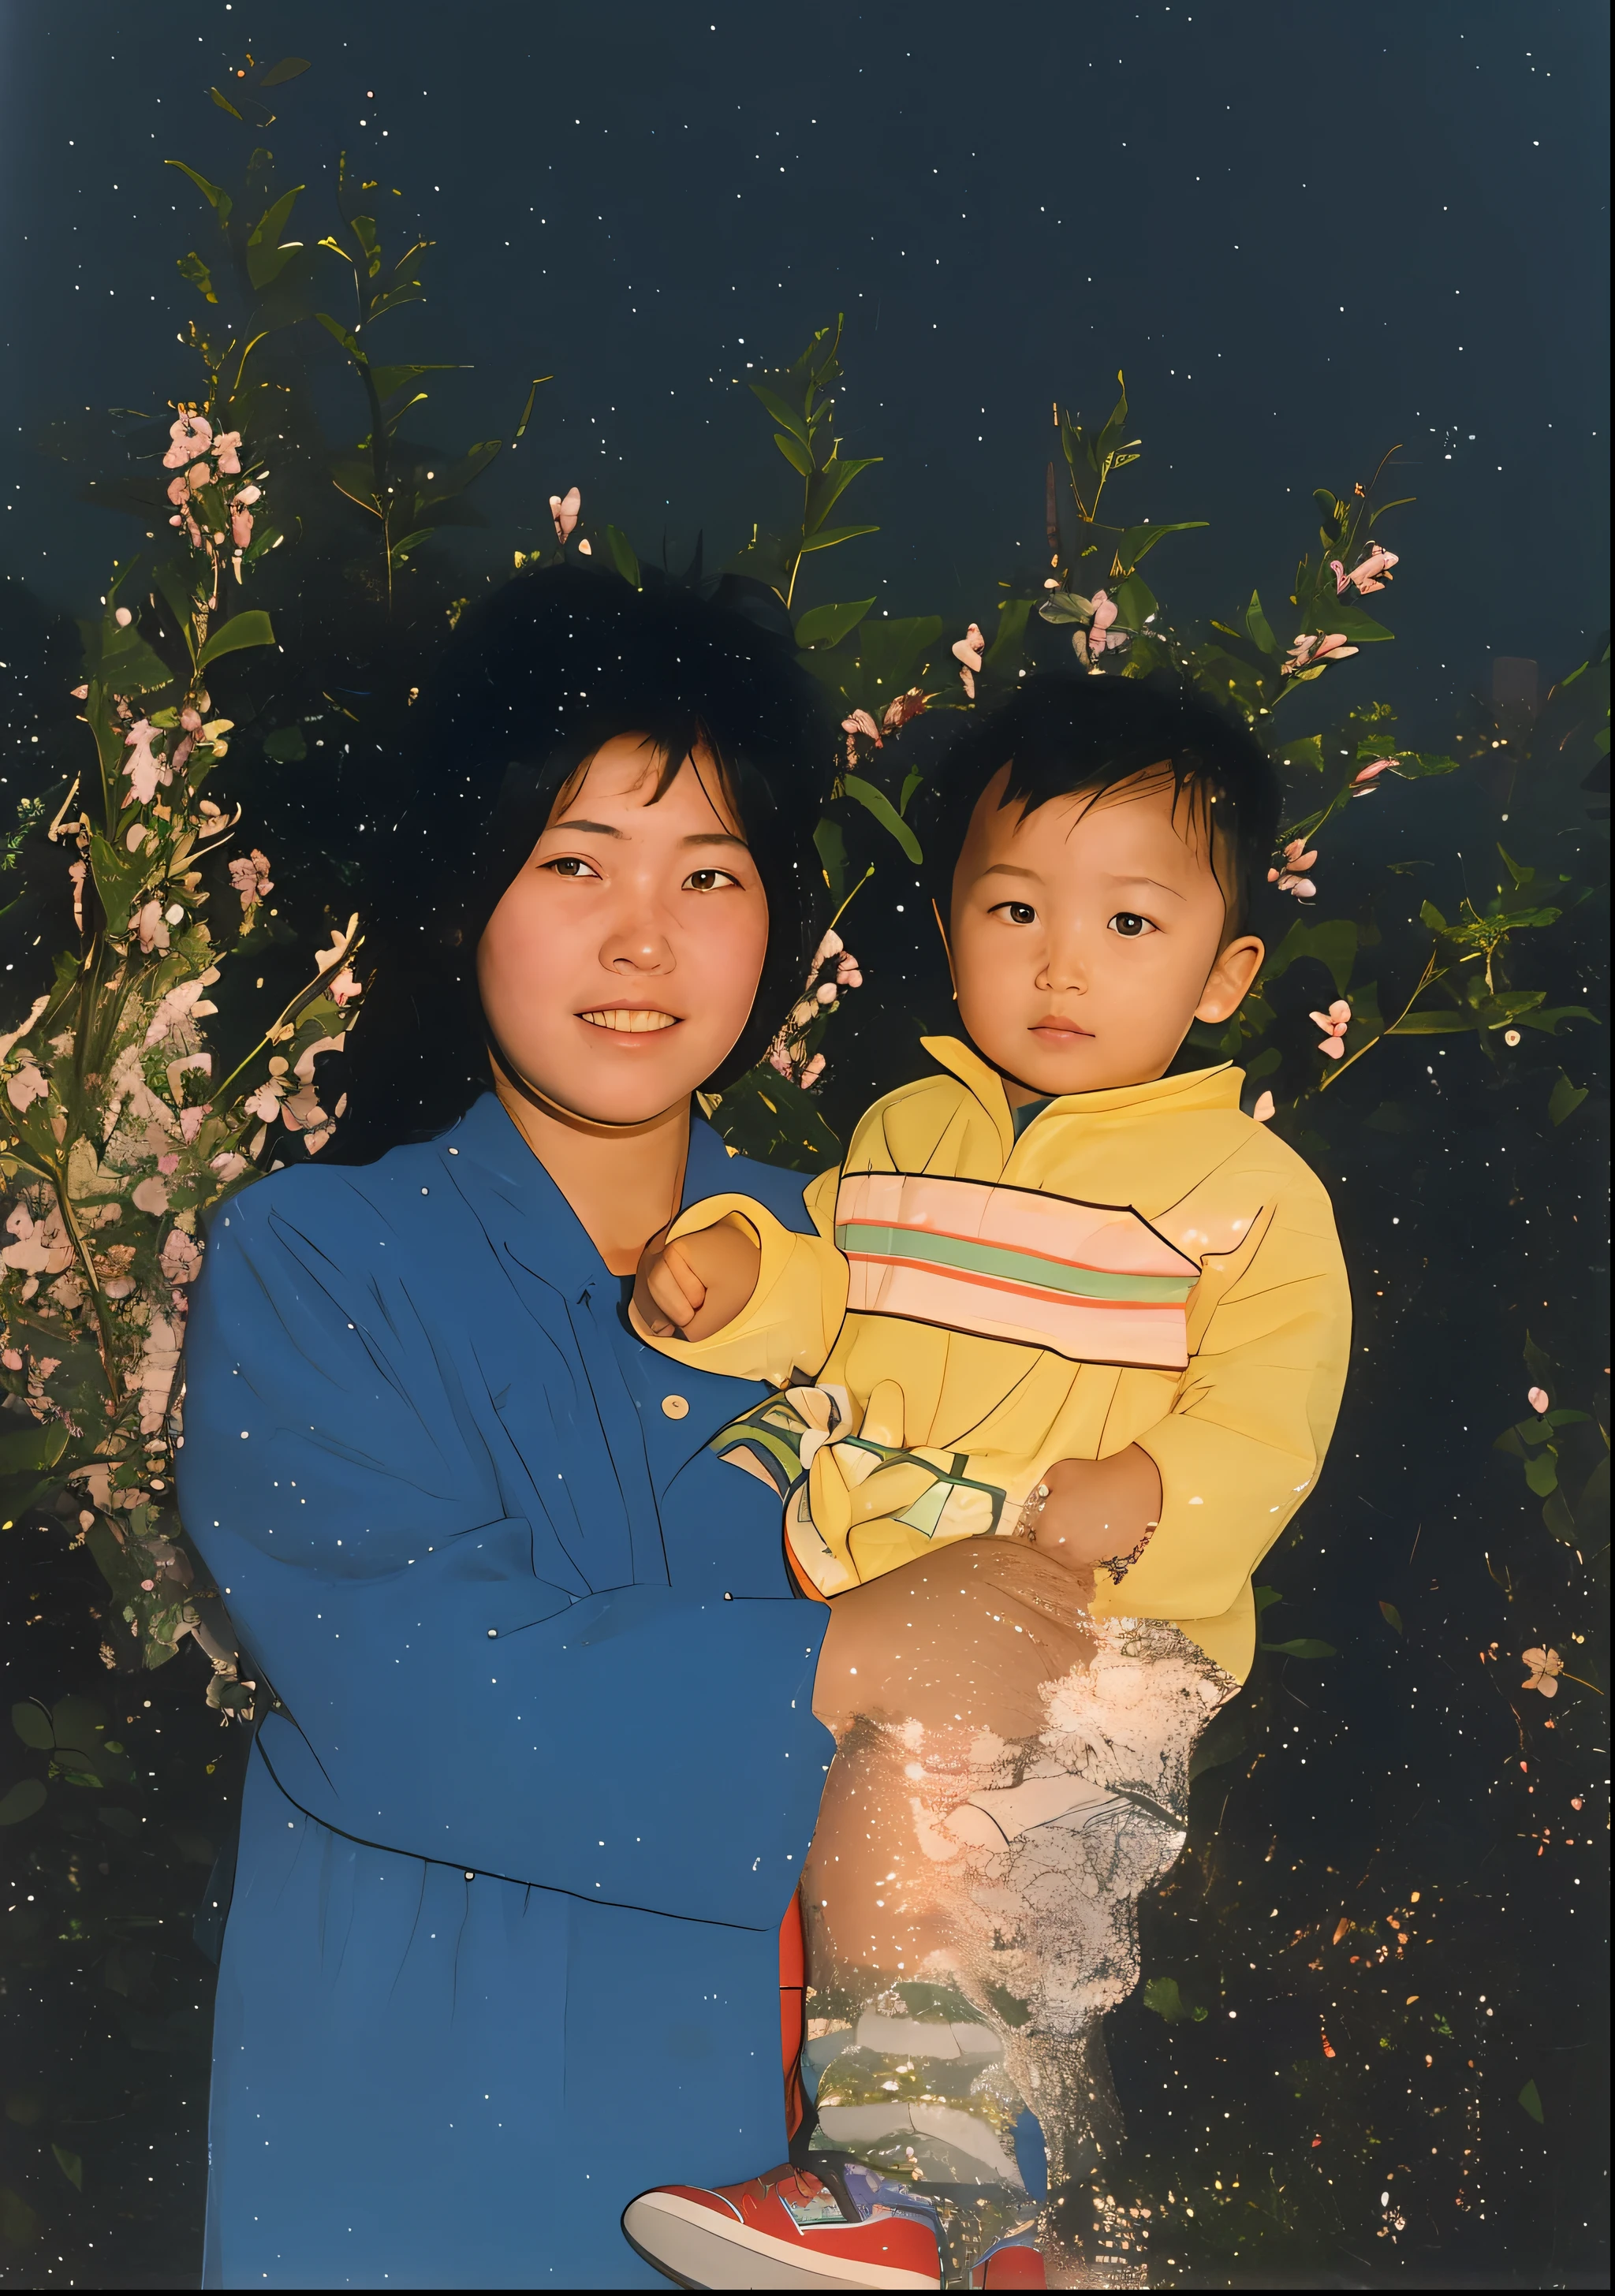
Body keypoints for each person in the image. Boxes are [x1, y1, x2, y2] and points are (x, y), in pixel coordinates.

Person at [623, 673, 1353, 2287]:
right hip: (912, 1593)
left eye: (1129, 924)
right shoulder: (910, 1128)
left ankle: (887, 2184)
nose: (1060, 961)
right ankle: (1005, 2234)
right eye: (1014, 905)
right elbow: (841, 1304)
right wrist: (745, 1282)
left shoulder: (1246, 1194)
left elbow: (1274, 1415)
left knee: (903, 1840)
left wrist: (1158, 1486)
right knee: (956, 1925)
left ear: (1227, 970)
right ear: (952, 917)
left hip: (1090, 1624)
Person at [178, 565, 855, 2289]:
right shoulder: (320, 1263)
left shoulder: (872, 1265)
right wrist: (850, 1664)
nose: (646, 938)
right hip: (429, 2169)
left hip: (820, 2183)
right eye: (574, 865)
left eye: (710, 872)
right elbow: (423, 1689)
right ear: (463, 893)